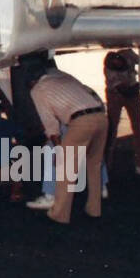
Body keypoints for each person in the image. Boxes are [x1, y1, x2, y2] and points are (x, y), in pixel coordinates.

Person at [28, 67, 107, 225]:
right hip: (101, 117)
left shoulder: (37, 90)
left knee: (66, 169)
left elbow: (50, 124)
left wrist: (58, 148)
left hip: (80, 122)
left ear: (32, 82)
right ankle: (94, 209)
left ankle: (60, 214)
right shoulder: (64, 79)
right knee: (94, 165)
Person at [105, 48, 140, 175]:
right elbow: (123, 89)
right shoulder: (110, 71)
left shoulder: (129, 55)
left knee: (138, 129)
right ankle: (106, 165)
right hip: (116, 94)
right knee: (111, 129)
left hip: (131, 92)